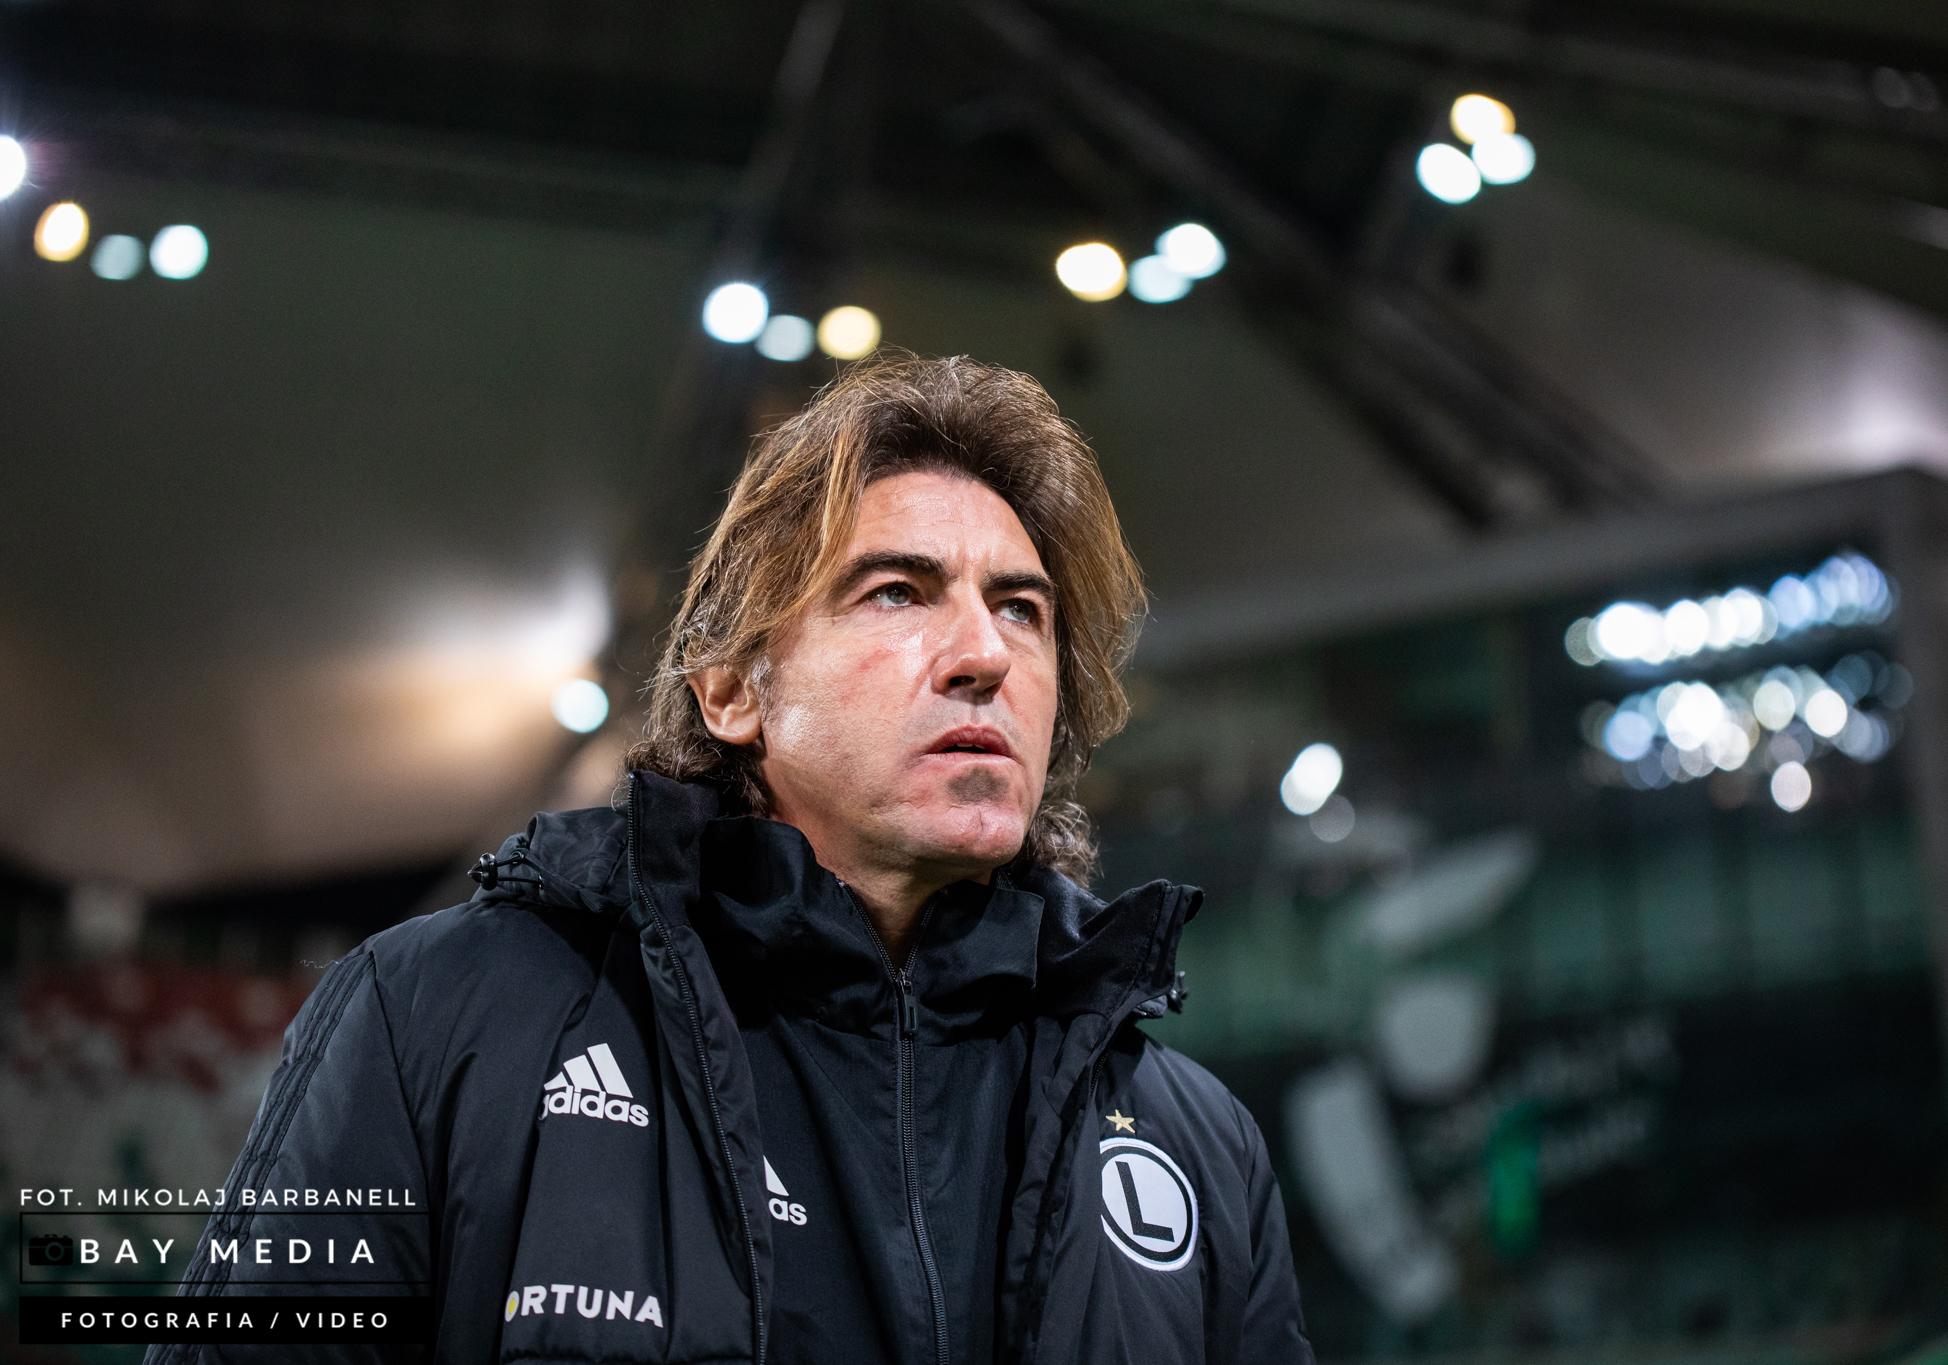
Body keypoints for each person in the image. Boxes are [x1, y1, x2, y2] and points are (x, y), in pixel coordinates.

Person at [149, 354, 1312, 1364]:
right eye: (897, 592)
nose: (982, 654)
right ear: (731, 690)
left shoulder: (1193, 1139)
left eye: (1021, 610)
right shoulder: (435, 1018)